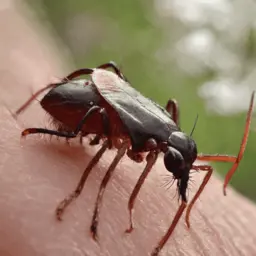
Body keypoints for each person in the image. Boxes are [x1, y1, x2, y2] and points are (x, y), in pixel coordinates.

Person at [1, 3, 256, 256]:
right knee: (111, 125)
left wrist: (185, 211)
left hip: (97, 101)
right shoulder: (151, 138)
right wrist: (90, 196)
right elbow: (120, 149)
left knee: (110, 99)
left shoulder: (164, 132)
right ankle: (76, 175)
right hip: (83, 106)